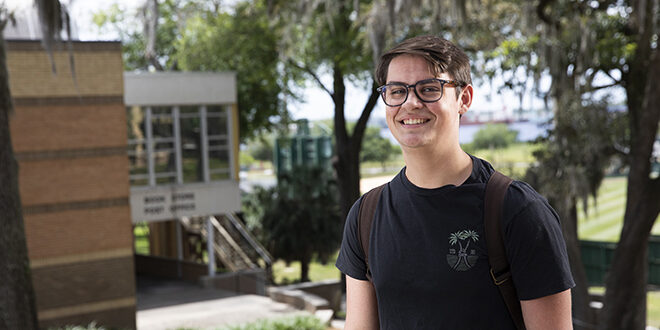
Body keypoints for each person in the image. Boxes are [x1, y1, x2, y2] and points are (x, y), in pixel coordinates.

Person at [335, 35, 575, 329]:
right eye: (397, 91)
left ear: (464, 98)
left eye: (429, 89)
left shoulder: (517, 210)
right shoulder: (365, 216)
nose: (410, 103)